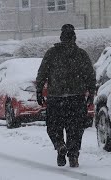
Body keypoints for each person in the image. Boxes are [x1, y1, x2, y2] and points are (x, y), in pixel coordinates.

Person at [36, 24, 96, 168]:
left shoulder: (51, 53)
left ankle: (60, 145)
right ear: (74, 38)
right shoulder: (81, 54)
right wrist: (91, 93)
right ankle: (73, 155)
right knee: (75, 128)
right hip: (76, 98)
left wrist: (39, 90)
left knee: (53, 126)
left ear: (61, 38)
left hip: (56, 98)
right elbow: (90, 75)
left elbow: (42, 73)